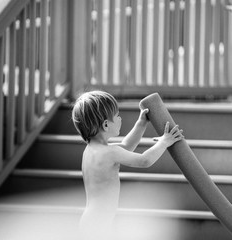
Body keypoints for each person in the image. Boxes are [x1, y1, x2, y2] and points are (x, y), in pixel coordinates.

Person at [71, 90, 184, 240]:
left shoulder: (92, 150)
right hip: (99, 224)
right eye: (117, 116)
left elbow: (126, 146)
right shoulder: (109, 152)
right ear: (106, 124)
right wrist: (164, 142)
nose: (120, 119)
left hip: (91, 221)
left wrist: (141, 123)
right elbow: (144, 161)